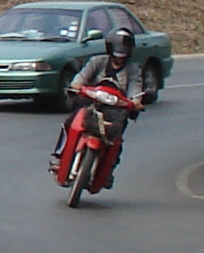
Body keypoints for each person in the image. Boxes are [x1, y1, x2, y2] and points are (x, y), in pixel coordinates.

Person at [52, 26, 142, 164]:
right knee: (69, 123)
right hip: (91, 104)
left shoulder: (133, 70)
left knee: (116, 141)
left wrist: (135, 102)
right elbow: (81, 77)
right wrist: (77, 86)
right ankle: (60, 155)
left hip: (116, 111)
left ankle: (109, 168)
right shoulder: (97, 61)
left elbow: (135, 89)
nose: (119, 57)